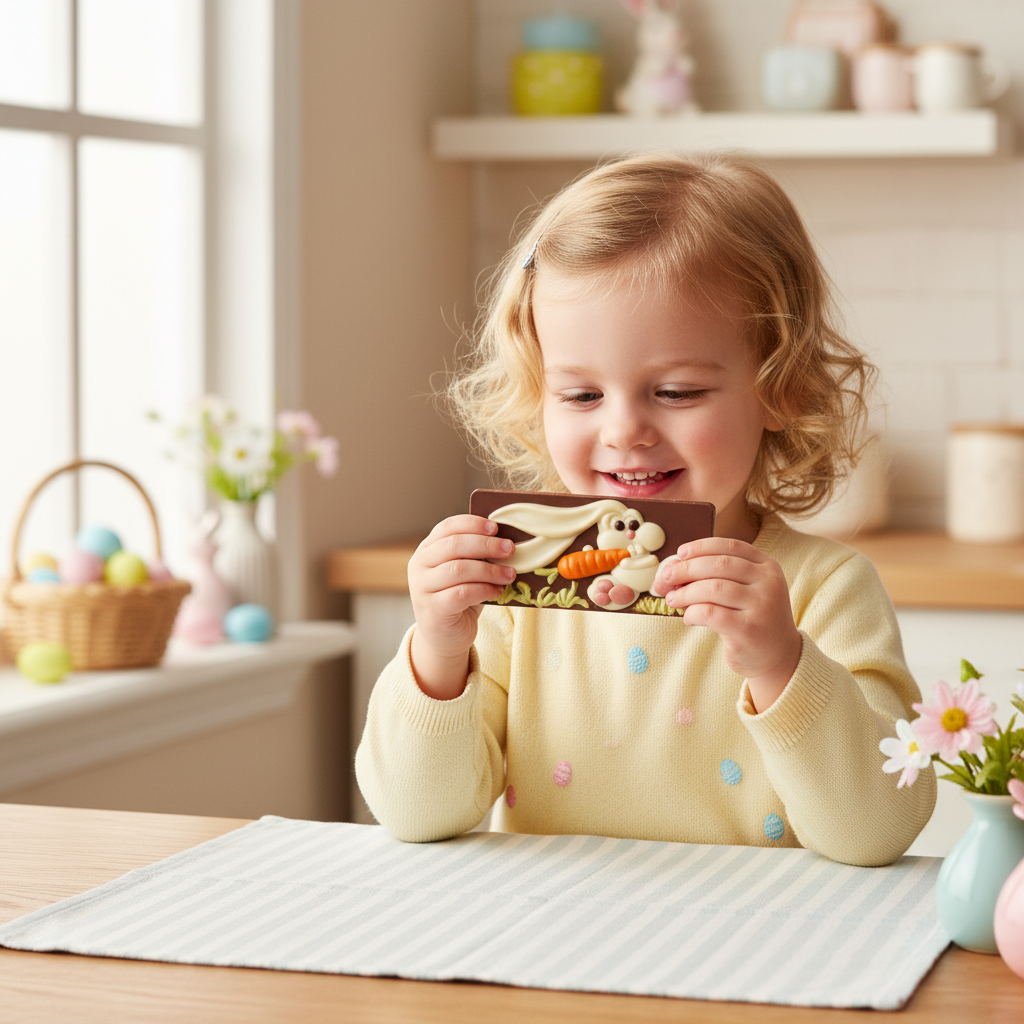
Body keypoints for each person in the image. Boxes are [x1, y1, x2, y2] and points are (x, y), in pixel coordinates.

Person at [355, 153, 935, 866]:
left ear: (779, 388)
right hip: (546, 951)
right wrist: (438, 653)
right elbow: (418, 816)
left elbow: (876, 832)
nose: (624, 430)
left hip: (759, 956)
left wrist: (781, 663)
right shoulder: (510, 600)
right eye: (581, 395)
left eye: (678, 392)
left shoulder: (826, 590)